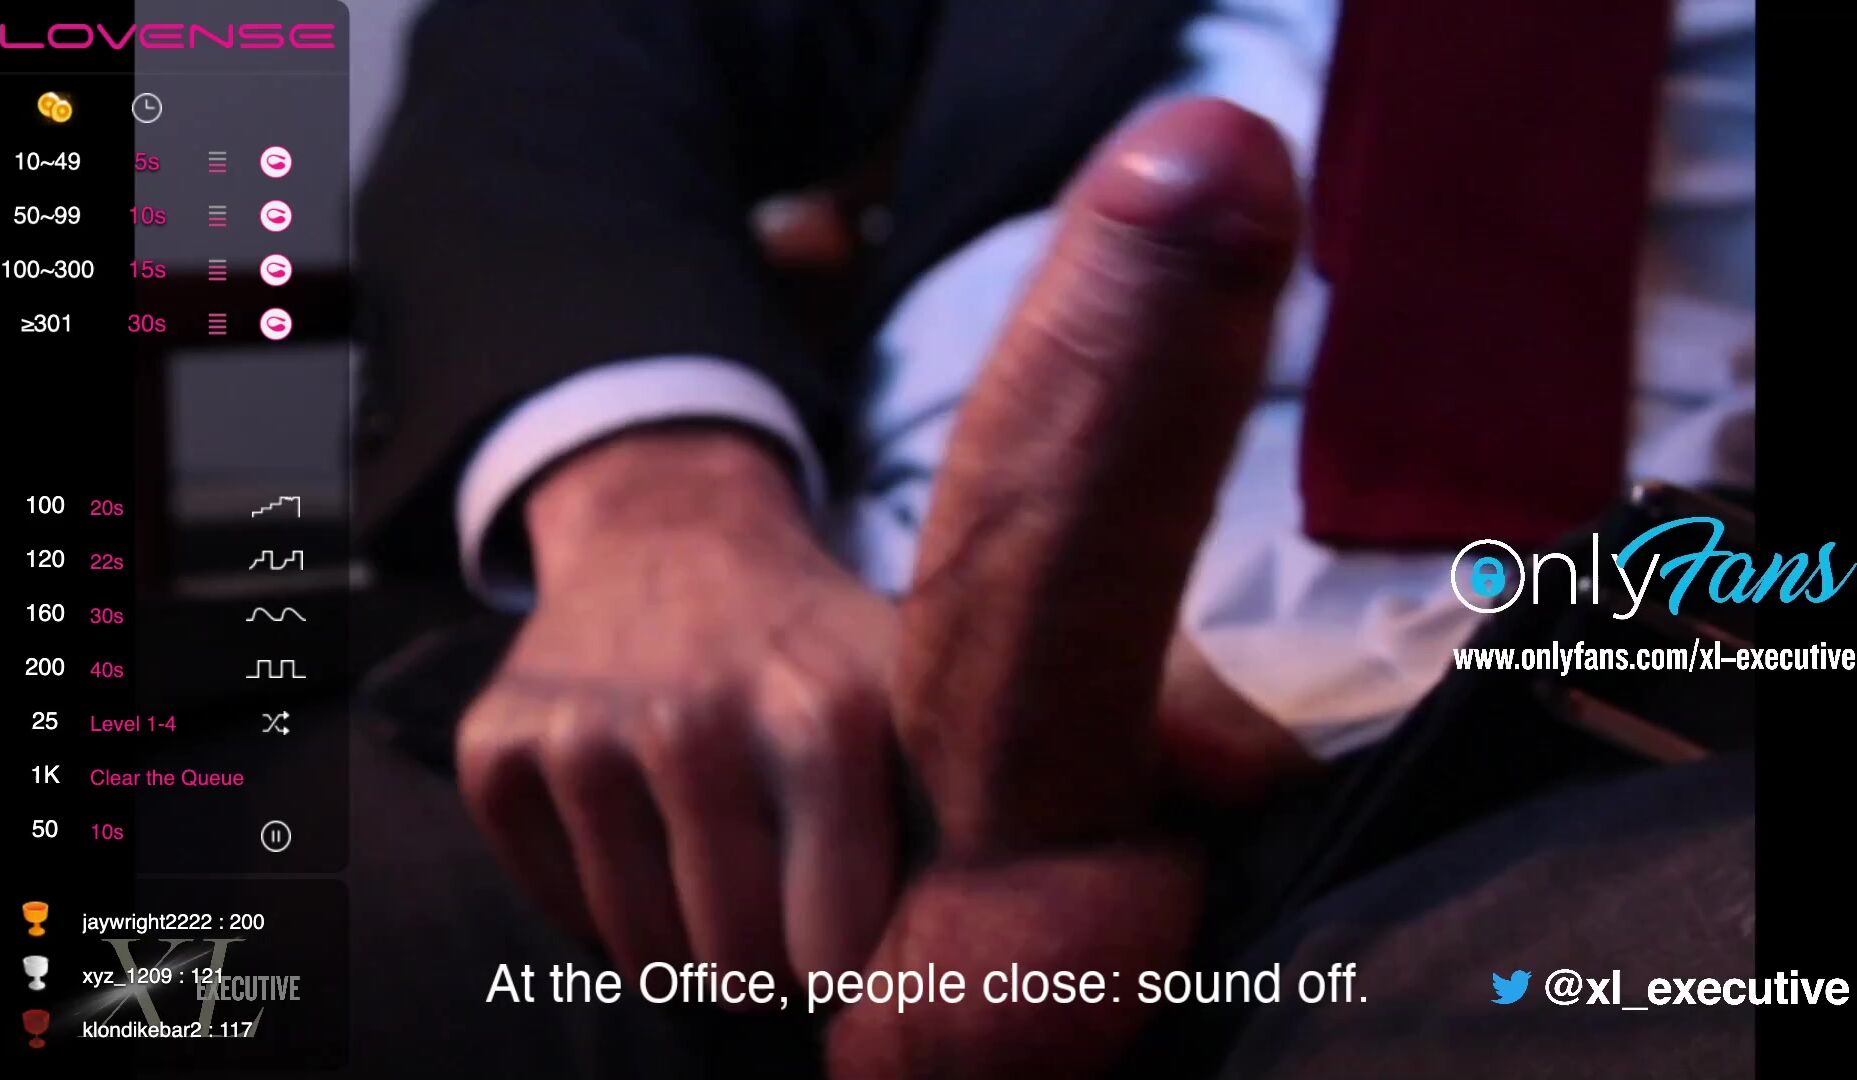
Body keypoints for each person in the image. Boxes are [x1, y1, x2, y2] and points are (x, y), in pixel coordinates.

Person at [351, 0, 1756, 1075]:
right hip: (818, 653)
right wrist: (660, 510)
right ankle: (1013, 740)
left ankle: (1040, 803)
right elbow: (566, 54)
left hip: (1632, 737)